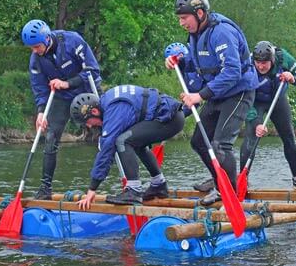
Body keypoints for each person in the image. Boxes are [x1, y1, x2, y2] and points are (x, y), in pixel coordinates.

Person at [166, 0, 259, 205]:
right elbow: (198, 62)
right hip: (218, 92)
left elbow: (232, 71)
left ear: (199, 13)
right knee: (199, 141)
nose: (181, 23)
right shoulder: (196, 34)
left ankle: (232, 197)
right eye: (179, 18)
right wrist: (179, 62)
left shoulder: (221, 32)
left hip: (239, 91)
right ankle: (220, 184)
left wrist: (199, 95)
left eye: (184, 18)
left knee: (220, 145)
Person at [21, 19, 102, 200]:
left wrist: (67, 83)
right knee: (50, 138)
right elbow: (39, 87)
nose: (35, 51)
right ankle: (45, 188)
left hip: (86, 90)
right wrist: (41, 112)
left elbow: (92, 70)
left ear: (47, 39)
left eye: (37, 46)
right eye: (31, 48)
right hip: (60, 98)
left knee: (108, 134)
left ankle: (128, 183)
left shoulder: (73, 41)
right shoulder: (36, 59)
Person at [72, 84, 185, 209]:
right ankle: (159, 184)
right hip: (171, 115)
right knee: (136, 143)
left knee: (122, 141)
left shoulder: (113, 110)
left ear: (94, 111)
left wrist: (92, 188)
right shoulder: (108, 102)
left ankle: (133, 190)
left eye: (87, 122)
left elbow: (106, 150)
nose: (89, 126)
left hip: (169, 118)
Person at [239, 41, 296, 192]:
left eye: (265, 63)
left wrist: (292, 77)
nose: (261, 66)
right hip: (255, 101)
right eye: (258, 63)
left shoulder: (282, 57)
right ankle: (243, 180)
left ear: (272, 59)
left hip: (277, 99)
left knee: (289, 138)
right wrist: (256, 122)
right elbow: (244, 100)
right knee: (251, 138)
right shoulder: (247, 67)